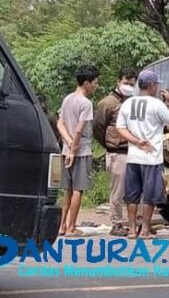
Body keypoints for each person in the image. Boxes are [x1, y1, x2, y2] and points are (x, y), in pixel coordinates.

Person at [116, 70, 169, 239]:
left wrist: (136, 142)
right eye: (156, 84)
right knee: (150, 195)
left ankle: (131, 230)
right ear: (152, 86)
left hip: (133, 156)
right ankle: (144, 230)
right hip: (151, 157)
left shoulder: (128, 104)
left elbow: (120, 128)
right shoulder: (156, 105)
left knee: (132, 195)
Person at [93, 68, 137, 237]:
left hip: (133, 150)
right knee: (117, 190)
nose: (129, 86)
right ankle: (117, 223)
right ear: (118, 82)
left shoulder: (133, 101)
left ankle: (134, 222)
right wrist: (108, 144)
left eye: (132, 84)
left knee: (133, 190)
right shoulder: (108, 103)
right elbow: (98, 127)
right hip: (116, 152)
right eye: (126, 83)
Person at [57, 65, 100, 237]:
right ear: (87, 83)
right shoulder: (86, 103)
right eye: (95, 83)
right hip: (80, 151)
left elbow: (59, 123)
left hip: (66, 149)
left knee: (67, 189)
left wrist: (68, 145)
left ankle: (61, 226)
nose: (96, 86)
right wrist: (74, 150)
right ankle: (71, 227)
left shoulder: (67, 99)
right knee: (78, 189)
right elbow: (79, 130)